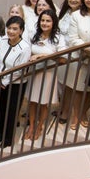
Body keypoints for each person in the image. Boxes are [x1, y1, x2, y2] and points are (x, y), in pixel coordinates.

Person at [61, 0, 90, 128]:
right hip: (80, 56)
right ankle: (76, 115)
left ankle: (84, 112)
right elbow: (73, 39)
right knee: (78, 88)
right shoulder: (77, 15)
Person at [26, 9, 65, 139]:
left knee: (43, 102)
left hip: (48, 74)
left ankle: (40, 125)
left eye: (48, 21)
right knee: (32, 101)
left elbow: (63, 58)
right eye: (42, 20)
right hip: (34, 72)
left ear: (53, 22)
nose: (45, 23)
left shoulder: (58, 38)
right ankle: (31, 125)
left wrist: (43, 55)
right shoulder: (34, 35)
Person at [0, 16, 31, 149]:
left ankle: (7, 140)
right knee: (1, 108)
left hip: (15, 84)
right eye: (9, 28)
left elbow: (20, 70)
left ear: (21, 31)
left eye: (15, 29)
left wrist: (5, 81)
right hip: (1, 81)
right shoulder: (3, 40)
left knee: (11, 111)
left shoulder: (25, 48)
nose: (11, 31)